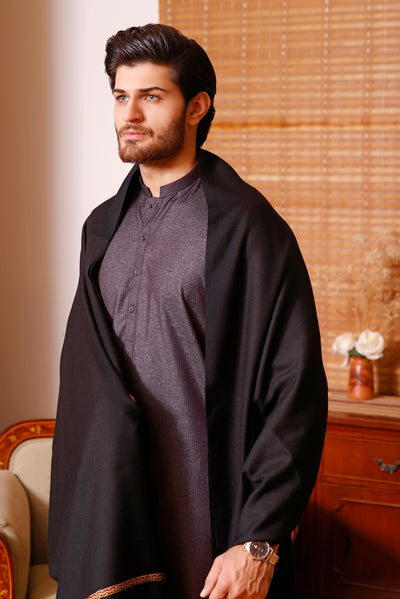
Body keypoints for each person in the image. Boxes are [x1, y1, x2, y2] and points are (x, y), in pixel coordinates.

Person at [49, 23, 327, 599]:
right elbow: (86, 388)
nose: (130, 114)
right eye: (121, 96)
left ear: (197, 107)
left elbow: (294, 392)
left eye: (151, 96)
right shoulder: (101, 229)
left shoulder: (248, 230)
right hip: (119, 519)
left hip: (212, 526)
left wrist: (258, 540)